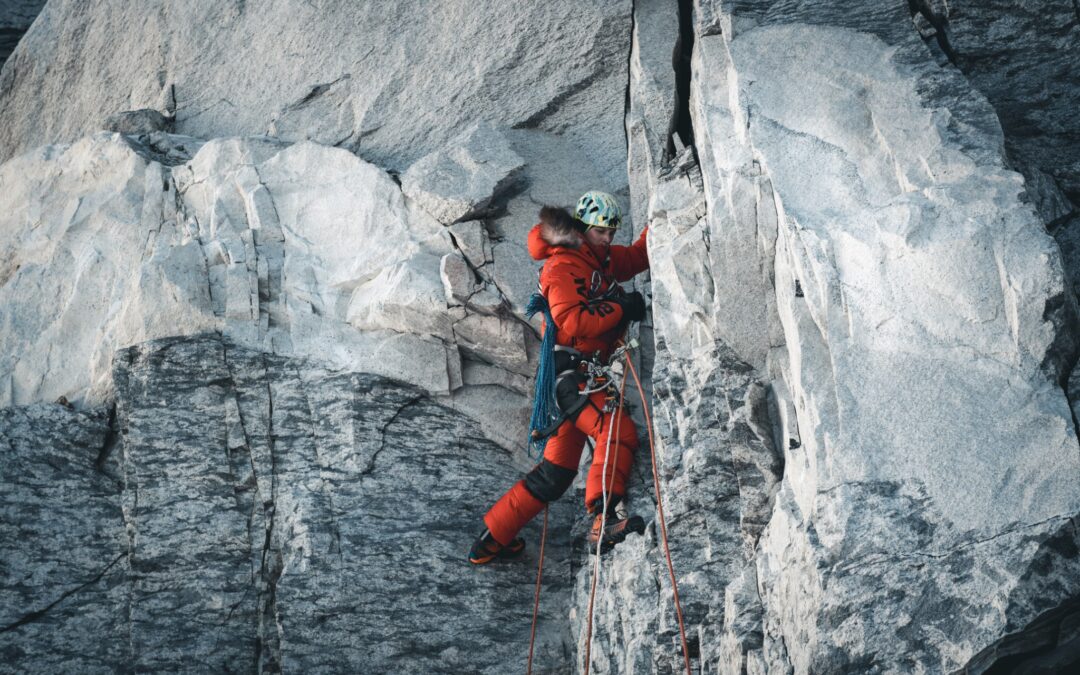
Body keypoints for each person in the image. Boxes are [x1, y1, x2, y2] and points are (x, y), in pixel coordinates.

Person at [469, 190, 650, 565]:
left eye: (612, 231)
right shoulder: (563, 265)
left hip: (575, 378)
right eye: (602, 231)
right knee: (615, 430)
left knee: (555, 474)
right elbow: (572, 321)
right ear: (583, 229)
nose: (609, 238)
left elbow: (635, 257)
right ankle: (603, 522)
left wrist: (662, 222)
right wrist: (621, 308)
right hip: (573, 378)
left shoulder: (598, 260)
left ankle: (491, 541)